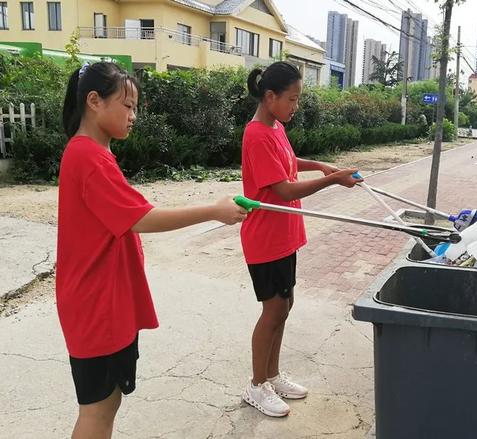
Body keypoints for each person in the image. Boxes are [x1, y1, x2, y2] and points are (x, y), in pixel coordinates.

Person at [57, 62, 247, 438]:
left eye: (135, 108)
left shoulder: (92, 152)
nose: (133, 116)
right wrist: (213, 210)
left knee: (106, 403)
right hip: (97, 304)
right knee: (97, 408)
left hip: (101, 298)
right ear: (94, 101)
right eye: (127, 106)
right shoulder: (89, 157)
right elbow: (141, 218)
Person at [240, 61, 362, 417]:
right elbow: (283, 187)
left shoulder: (274, 126)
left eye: (297, 100)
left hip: (284, 234)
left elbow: (288, 161)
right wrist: (333, 179)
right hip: (265, 237)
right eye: (292, 99)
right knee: (273, 309)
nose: (295, 106)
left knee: (285, 306)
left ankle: (272, 376)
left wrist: (321, 165)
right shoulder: (256, 134)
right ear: (270, 96)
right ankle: (255, 384)